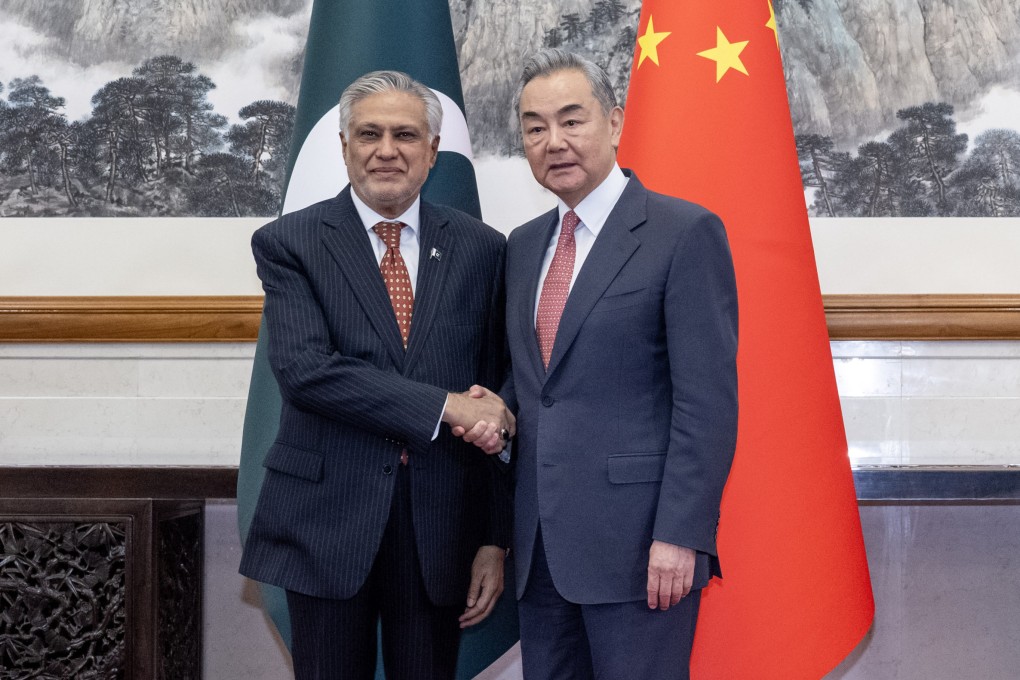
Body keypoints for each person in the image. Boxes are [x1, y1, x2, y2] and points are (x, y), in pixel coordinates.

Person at [238, 70, 515, 680]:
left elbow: (496, 395)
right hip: (326, 521)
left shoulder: (483, 249)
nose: (386, 150)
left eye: (405, 135)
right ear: (344, 146)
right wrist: (446, 407)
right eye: (369, 134)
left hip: (441, 526)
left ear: (432, 151)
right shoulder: (290, 242)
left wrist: (494, 538)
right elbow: (308, 372)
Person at [491, 48, 738, 679]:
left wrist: (681, 534)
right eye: (535, 127)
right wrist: (494, 408)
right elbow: (539, 382)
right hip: (540, 551)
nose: (554, 141)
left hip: (641, 551)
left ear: (615, 121)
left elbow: (705, 402)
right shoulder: (523, 245)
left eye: (572, 120)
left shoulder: (683, 232)